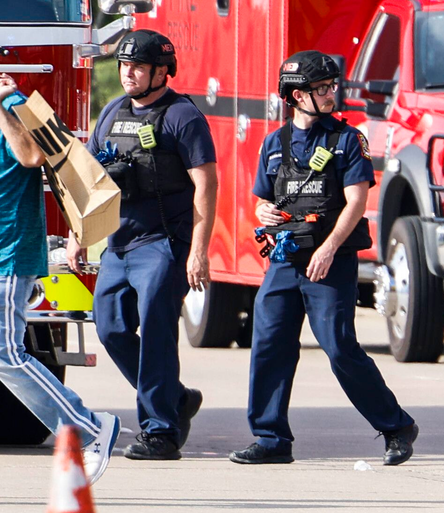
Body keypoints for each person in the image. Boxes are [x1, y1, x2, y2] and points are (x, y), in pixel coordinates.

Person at [231, 51, 418, 466]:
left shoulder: (347, 140)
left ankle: (396, 426)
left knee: (339, 347)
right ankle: (270, 438)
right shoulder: (273, 143)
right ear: (297, 96)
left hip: (330, 260)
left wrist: (329, 247)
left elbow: (356, 201)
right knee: (269, 345)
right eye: (322, 89)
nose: (331, 94)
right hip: (284, 260)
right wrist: (261, 211)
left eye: (332, 86)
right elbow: (262, 197)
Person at [86, 29, 216, 461]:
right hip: (118, 244)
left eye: (138, 67)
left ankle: (160, 432)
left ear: (162, 71)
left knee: (158, 333)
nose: (128, 74)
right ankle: (176, 398)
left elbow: (206, 184)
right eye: (124, 66)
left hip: (163, 242)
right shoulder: (110, 113)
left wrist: (198, 250)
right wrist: (77, 235)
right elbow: (88, 180)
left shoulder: (182, 116)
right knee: (110, 329)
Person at [0, 72, 117, 481]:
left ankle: (88, 427)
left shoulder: (12, 107)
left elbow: (33, 157)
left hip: (9, 253)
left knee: (6, 354)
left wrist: (2, 105)